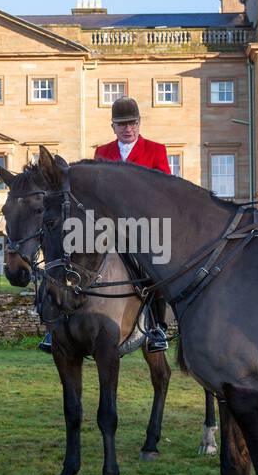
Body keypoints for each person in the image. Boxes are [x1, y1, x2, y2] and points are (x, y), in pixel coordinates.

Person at [39, 96, 173, 354]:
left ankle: (157, 327)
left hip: (141, 224)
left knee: (154, 268)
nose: (128, 129)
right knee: (66, 261)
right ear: (113, 126)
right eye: (122, 124)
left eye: (132, 123)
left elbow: (163, 189)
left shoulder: (156, 150)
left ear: (139, 123)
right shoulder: (103, 152)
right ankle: (56, 327)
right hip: (107, 225)